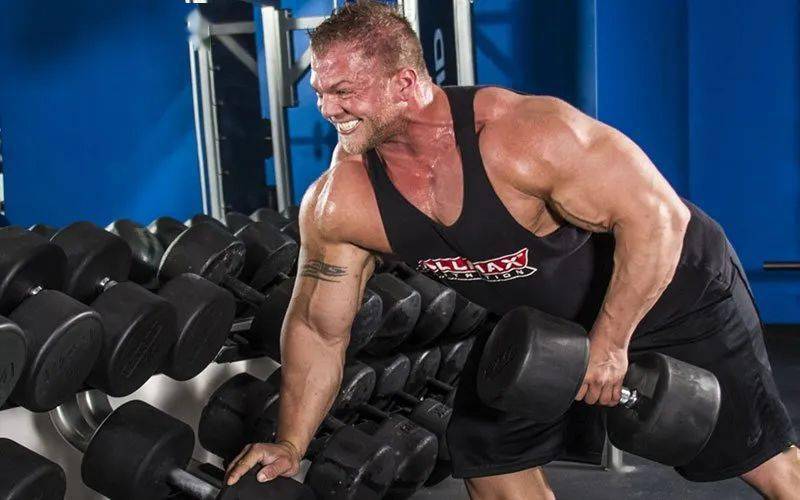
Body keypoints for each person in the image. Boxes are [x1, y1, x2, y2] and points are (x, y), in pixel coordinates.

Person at [225, 1, 800, 498]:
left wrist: (610, 342)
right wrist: (291, 442)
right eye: (320, 92)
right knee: (489, 455)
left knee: (763, 460)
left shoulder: (522, 137)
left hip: (674, 286)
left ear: (404, 82)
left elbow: (658, 219)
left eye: (344, 92)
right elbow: (318, 327)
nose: (328, 110)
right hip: (547, 324)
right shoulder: (341, 201)